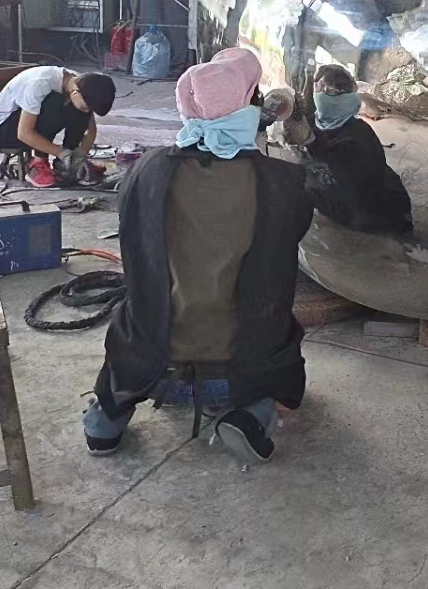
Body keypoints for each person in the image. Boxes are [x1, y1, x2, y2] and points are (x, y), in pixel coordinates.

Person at [84, 48, 315, 463]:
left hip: (148, 364)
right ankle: (249, 415)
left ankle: (107, 419)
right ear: (252, 105)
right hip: (237, 371)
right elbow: (287, 244)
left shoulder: (146, 169)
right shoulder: (284, 181)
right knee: (276, 330)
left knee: (134, 314)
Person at [294, 63, 413, 236]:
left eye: (325, 91)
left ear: (344, 98)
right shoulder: (315, 122)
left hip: (367, 208)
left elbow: (352, 182)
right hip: (343, 197)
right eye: (317, 89)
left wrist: (311, 143)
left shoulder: (360, 136)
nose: (318, 95)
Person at [0, 67, 116, 188]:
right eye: (87, 107)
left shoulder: (82, 84)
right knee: (55, 101)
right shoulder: (40, 84)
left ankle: (68, 163)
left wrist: (80, 155)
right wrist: (61, 153)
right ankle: (38, 163)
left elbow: (90, 130)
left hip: (26, 124)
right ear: (75, 92)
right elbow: (24, 133)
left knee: (76, 108)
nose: (88, 111)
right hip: (4, 130)